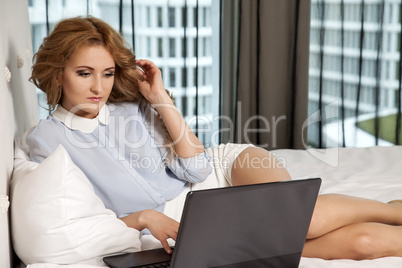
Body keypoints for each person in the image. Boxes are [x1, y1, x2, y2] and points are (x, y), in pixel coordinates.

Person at [27, 16, 402, 260]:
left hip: (224, 170)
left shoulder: (134, 107)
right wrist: (141, 218)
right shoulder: (46, 142)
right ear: (57, 74)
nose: (99, 87)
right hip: (188, 219)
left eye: (107, 74)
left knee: (302, 217)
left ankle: (392, 209)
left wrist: (159, 100)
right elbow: (82, 223)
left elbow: (196, 167)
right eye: (84, 73)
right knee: (350, 246)